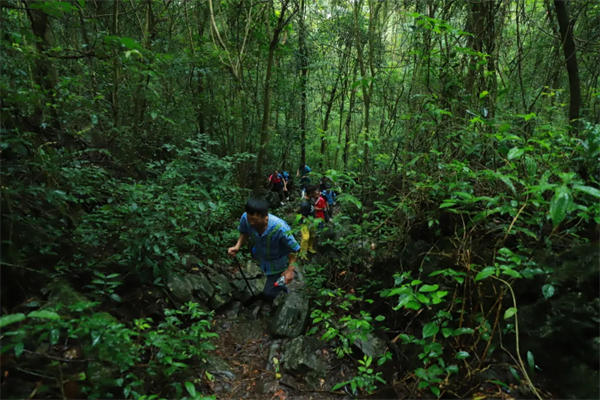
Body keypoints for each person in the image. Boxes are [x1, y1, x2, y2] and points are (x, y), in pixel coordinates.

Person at [228, 198, 300, 301]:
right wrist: (237, 246)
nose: (251, 223)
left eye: (255, 220)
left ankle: (283, 291)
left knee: (269, 294)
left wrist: (290, 270)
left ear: (266, 217)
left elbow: (294, 249)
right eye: (250, 219)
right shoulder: (245, 218)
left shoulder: (280, 228)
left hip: (277, 261)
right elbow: (244, 232)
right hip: (260, 253)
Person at [299, 185, 319, 257]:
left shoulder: (311, 199)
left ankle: (309, 248)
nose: (315, 193)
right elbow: (303, 216)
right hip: (305, 223)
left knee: (312, 235)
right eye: (314, 192)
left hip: (312, 220)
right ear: (310, 193)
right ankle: (303, 253)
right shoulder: (304, 204)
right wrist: (309, 223)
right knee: (305, 237)